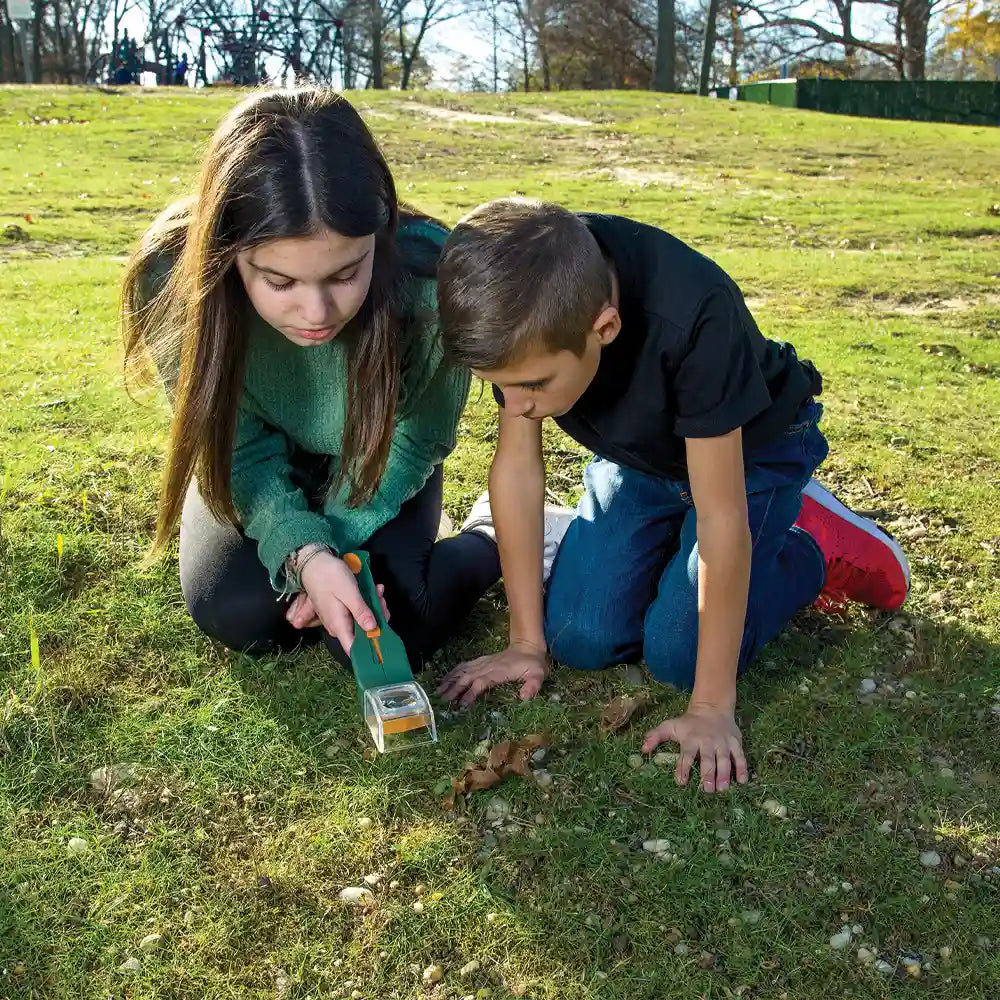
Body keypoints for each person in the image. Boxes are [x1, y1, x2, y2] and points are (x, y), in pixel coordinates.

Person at [435, 199, 910, 794]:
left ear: (603, 328)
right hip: (642, 457)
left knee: (677, 655)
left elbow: (719, 514)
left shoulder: (695, 313)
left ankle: (808, 546)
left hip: (748, 457)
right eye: (498, 388)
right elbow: (517, 469)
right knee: (581, 636)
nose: (517, 405)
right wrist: (525, 643)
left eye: (531, 386)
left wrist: (711, 705)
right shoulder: (525, 296)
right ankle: (663, 547)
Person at [120, 88, 503, 669]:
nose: (318, 314)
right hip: (258, 461)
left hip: (382, 455)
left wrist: (334, 547)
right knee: (238, 610)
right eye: (280, 283)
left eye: (347, 273)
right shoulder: (173, 279)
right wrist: (304, 553)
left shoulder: (432, 275)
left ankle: (490, 534)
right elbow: (234, 447)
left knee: (401, 617)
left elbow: (416, 438)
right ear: (228, 254)